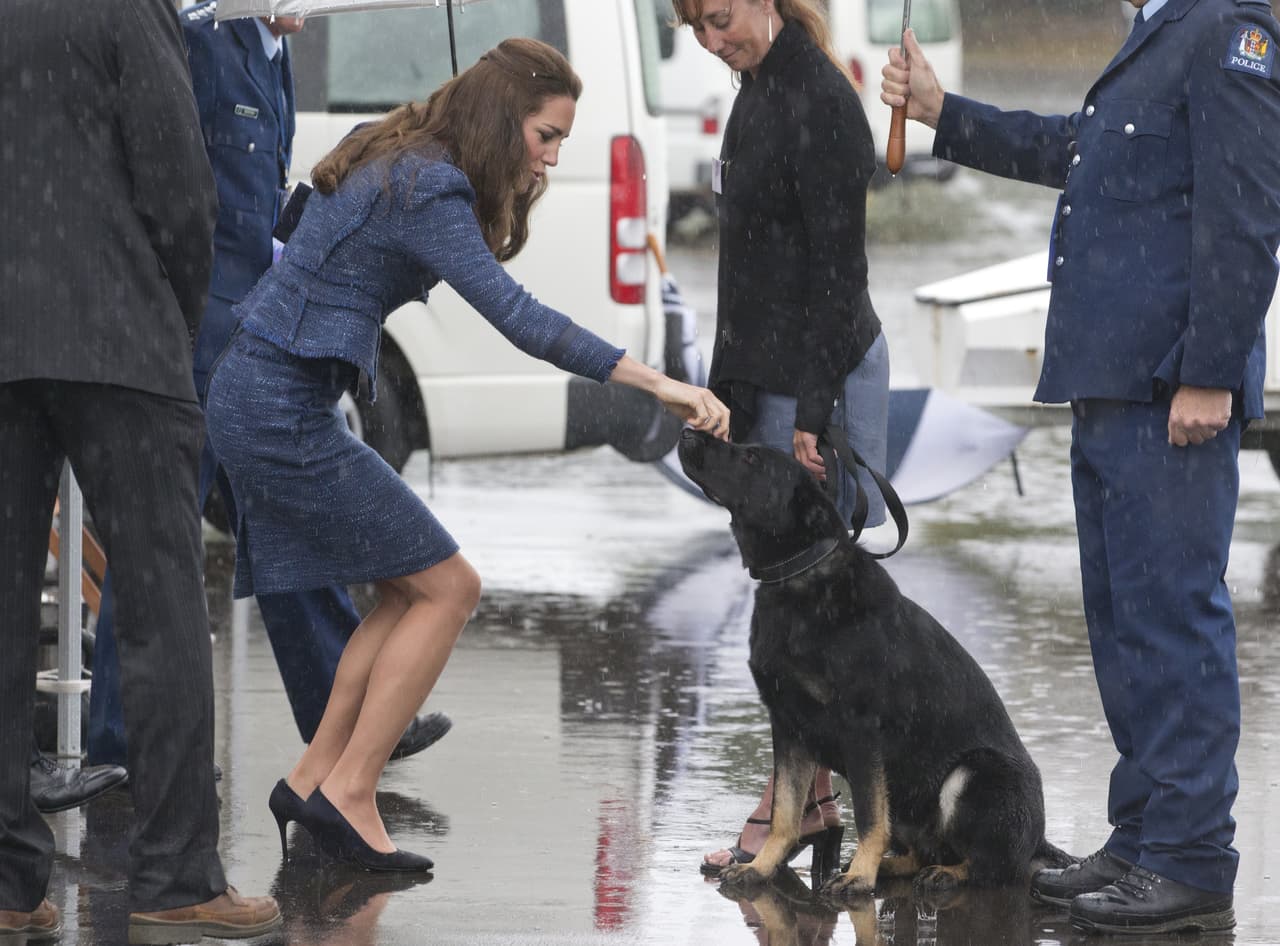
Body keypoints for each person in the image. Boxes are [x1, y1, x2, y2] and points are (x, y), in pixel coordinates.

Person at [203, 37, 731, 871]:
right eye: (546, 136)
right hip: (278, 410)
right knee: (452, 587)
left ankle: (313, 778)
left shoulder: (396, 145)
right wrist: (660, 383)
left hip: (264, 393)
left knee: (405, 590)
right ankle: (350, 791)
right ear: (501, 117)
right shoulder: (430, 186)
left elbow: (297, 224)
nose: (554, 156)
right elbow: (523, 320)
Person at [881, 0, 1280, 934]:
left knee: (1173, 621)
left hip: (1169, 390)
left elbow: (1246, 209)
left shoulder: (1228, 29)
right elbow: (1083, 149)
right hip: (1110, 382)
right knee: (1123, 623)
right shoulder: (1157, 29)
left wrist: (1210, 373)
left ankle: (1188, 859)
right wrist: (947, 112)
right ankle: (1142, 840)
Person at [85, 1, 452, 776]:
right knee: (162, 530)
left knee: (284, 516)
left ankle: (338, 715)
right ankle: (122, 742)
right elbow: (170, 177)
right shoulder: (197, 39)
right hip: (195, 327)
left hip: (252, 323)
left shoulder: (265, 47)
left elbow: (257, 191)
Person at [0, 0, 281, 941]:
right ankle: (173, 879)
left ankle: (7, 883)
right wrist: (174, 313)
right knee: (161, 614)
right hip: (121, 340)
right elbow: (179, 185)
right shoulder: (124, 6)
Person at [665, 0, 890, 877]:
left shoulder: (823, 102)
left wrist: (810, 413)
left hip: (820, 375)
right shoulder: (756, 89)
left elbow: (840, 271)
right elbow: (750, 259)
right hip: (766, 376)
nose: (715, 42)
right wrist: (724, 385)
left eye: (721, 19)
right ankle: (816, 801)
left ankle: (793, 810)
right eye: (698, 32)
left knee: (817, 613)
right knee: (784, 609)